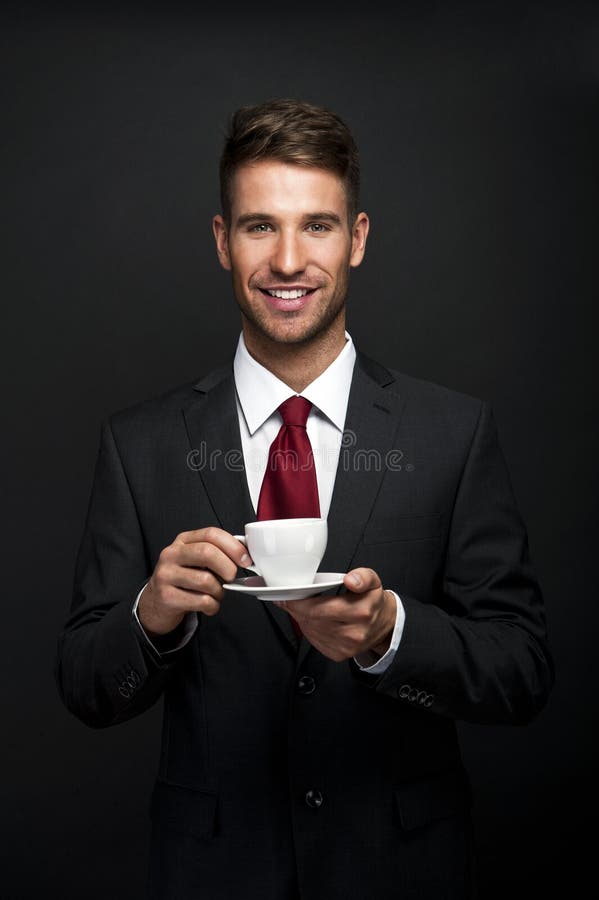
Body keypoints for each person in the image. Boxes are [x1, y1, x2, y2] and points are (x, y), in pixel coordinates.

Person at [55, 98, 554, 900]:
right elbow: (84, 686)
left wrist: (392, 634)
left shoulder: (452, 433)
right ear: (223, 241)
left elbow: (523, 671)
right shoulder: (139, 442)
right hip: (213, 876)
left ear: (356, 238)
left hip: (401, 873)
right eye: (259, 226)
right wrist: (149, 614)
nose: (288, 259)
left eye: (316, 225)